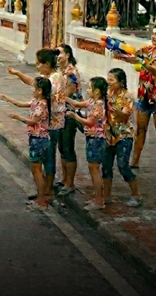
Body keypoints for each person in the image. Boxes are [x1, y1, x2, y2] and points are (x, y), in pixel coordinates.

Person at [8, 49, 65, 203]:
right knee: (45, 158)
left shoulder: (54, 80)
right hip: (45, 124)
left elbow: (36, 85)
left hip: (50, 125)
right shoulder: (47, 77)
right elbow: (33, 82)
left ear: (47, 64)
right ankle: (44, 190)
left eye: (40, 63)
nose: (37, 66)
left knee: (48, 158)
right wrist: (17, 74)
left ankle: (47, 192)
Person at [123, 23, 156, 172]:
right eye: (153, 33)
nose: (153, 36)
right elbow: (134, 57)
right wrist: (122, 53)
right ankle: (135, 160)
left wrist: (142, 62)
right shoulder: (147, 50)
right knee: (140, 129)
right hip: (144, 95)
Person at [1, 77, 52, 210]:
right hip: (38, 139)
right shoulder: (36, 101)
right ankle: (42, 196)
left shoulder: (42, 105)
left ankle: (41, 200)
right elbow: (21, 104)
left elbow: (32, 122)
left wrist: (18, 117)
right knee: (37, 169)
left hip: (39, 139)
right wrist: (8, 99)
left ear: (39, 90)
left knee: (37, 170)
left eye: (33, 87)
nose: (31, 89)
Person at [101, 68, 142, 207]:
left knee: (123, 165)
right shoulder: (106, 94)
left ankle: (136, 194)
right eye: (108, 79)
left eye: (112, 80)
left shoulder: (127, 96)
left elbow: (124, 115)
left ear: (121, 82)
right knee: (106, 166)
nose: (109, 82)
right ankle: (106, 196)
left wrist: (112, 105)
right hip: (108, 135)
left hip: (124, 135)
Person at [67, 77, 109, 211]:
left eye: (90, 88)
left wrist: (75, 117)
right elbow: (77, 104)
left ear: (97, 91)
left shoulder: (98, 105)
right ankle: (98, 197)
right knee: (93, 169)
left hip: (96, 139)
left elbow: (89, 122)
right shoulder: (92, 101)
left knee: (94, 169)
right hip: (92, 138)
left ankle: (99, 200)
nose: (88, 90)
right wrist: (64, 97)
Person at [56, 44, 80, 196]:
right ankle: (65, 179)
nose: (57, 56)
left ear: (68, 55)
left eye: (60, 53)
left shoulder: (71, 72)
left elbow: (66, 94)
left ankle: (70, 183)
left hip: (69, 114)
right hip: (60, 114)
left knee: (68, 148)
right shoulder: (61, 71)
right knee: (62, 148)